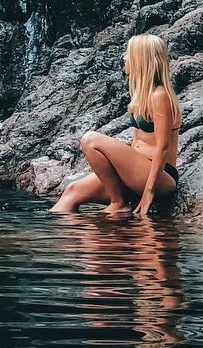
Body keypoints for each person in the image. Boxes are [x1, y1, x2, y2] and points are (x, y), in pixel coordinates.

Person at [49, 32, 182, 216]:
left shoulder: (160, 96)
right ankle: (61, 240)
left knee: (90, 139)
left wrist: (148, 192)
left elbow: (162, 147)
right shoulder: (141, 94)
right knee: (72, 191)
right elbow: (138, 141)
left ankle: (118, 203)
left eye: (128, 53)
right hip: (134, 171)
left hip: (159, 176)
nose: (124, 58)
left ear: (141, 59)